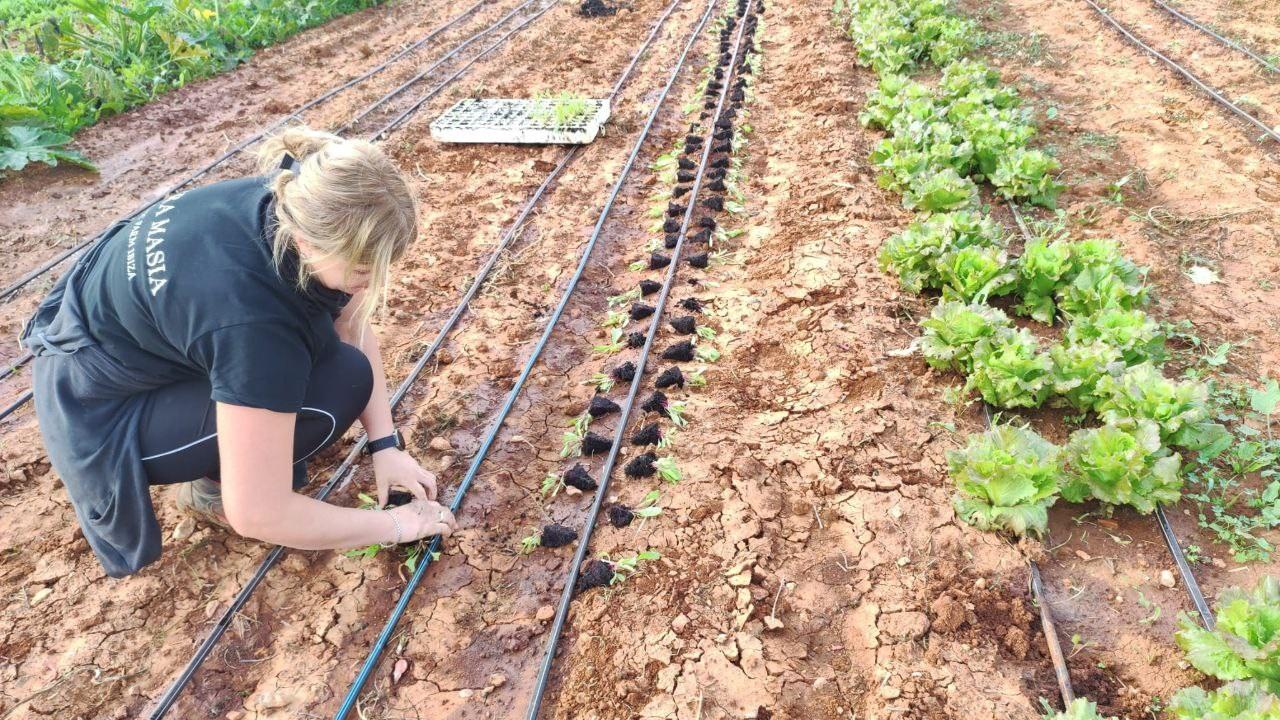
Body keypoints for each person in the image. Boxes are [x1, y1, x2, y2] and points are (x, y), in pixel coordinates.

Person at [21, 126, 458, 578]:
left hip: (123, 341)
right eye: (365, 269)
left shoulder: (295, 197)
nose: (373, 281)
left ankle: (228, 440)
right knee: (332, 391)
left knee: (340, 363)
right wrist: (397, 523)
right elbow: (258, 511)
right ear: (308, 242)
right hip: (98, 408)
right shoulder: (253, 324)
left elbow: (350, 318)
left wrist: (386, 446)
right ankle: (209, 490)